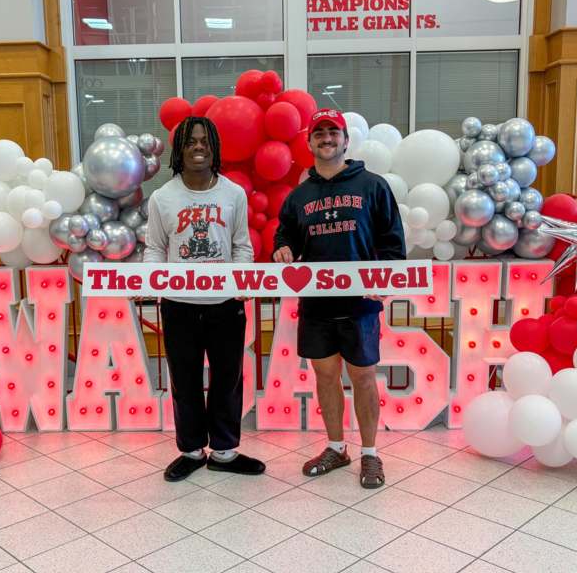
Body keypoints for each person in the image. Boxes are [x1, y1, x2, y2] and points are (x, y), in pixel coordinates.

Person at [273, 108, 406, 489]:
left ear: (346, 140)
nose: (327, 138)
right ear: (309, 142)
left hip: (360, 304)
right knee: (326, 376)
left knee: (363, 377)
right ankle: (336, 447)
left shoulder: (373, 185)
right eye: (319, 133)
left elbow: (393, 244)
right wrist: (282, 248)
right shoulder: (300, 195)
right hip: (316, 305)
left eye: (334, 132)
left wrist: (386, 277)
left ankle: (369, 453)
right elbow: (286, 235)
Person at [144, 116, 266, 481]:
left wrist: (241, 280)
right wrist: (150, 280)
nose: (198, 147)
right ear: (179, 151)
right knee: (184, 379)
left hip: (226, 306)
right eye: (191, 142)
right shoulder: (163, 198)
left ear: (215, 149)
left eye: (205, 142)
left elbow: (242, 245)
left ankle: (225, 451)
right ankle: (192, 451)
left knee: (228, 378)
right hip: (179, 306)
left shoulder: (233, 194)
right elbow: (155, 248)